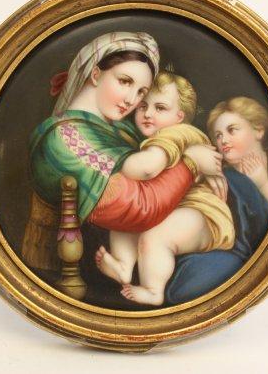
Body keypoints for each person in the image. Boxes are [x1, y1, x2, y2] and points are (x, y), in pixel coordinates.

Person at [21, 32, 225, 276]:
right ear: (95, 74)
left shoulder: (120, 128)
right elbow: (140, 208)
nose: (131, 100)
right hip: (93, 273)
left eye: (141, 92)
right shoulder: (64, 138)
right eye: (125, 81)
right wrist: (191, 163)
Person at [94, 71, 235, 306]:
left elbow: (146, 169)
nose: (148, 113)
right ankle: (123, 266)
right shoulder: (156, 136)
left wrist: (115, 165)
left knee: (154, 236)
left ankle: (153, 290)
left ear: (180, 116)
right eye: (143, 106)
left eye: (160, 108)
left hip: (201, 216)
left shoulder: (177, 133)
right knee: (127, 217)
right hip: (168, 209)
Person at [164, 96, 268, 304]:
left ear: (258, 130)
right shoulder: (221, 178)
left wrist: (263, 184)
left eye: (232, 130)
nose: (223, 140)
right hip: (212, 260)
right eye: (218, 135)